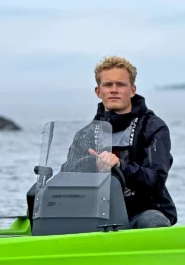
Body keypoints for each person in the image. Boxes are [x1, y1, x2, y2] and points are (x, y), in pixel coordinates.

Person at [63, 56, 177, 228]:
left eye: (121, 85)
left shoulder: (153, 128)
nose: (114, 90)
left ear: (132, 90)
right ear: (98, 91)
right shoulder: (85, 135)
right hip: (97, 214)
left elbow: (156, 181)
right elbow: (67, 181)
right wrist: (89, 167)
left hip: (142, 212)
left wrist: (120, 166)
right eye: (108, 85)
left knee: (153, 221)